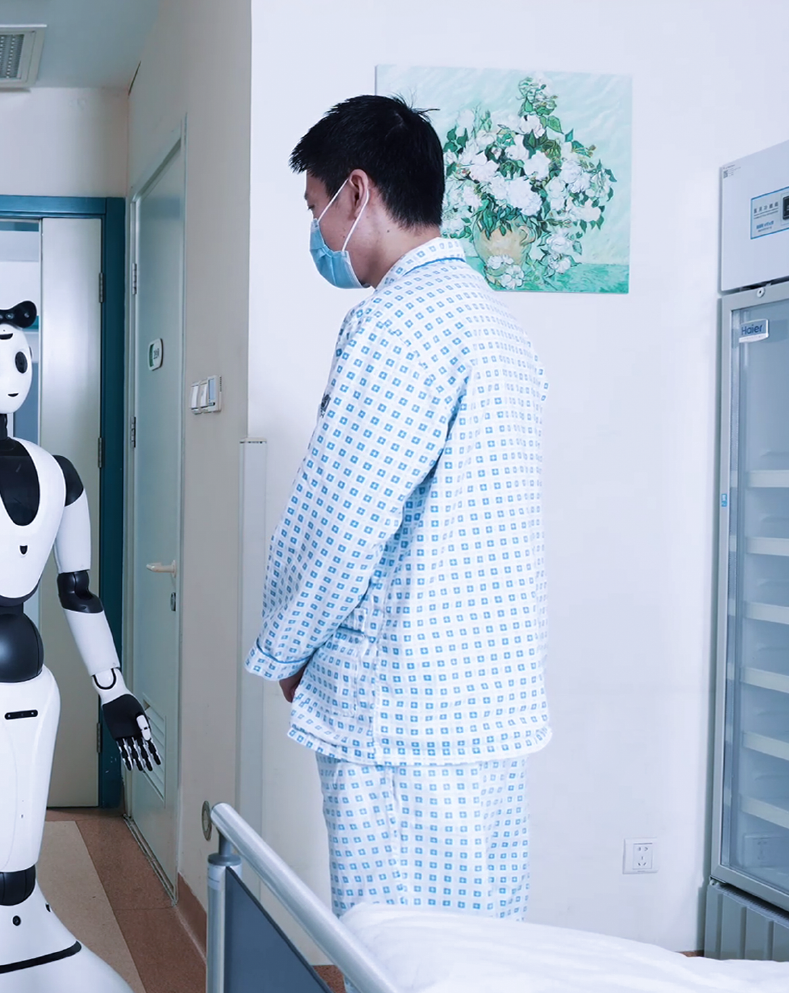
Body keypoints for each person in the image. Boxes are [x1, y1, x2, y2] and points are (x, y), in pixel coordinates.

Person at [249, 94, 549, 920]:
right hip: (490, 704)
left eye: (316, 208)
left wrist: (285, 649)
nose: (319, 233)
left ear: (357, 192)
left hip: (404, 714)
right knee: (480, 946)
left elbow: (340, 521)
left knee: (396, 948)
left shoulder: (395, 324)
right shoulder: (500, 329)